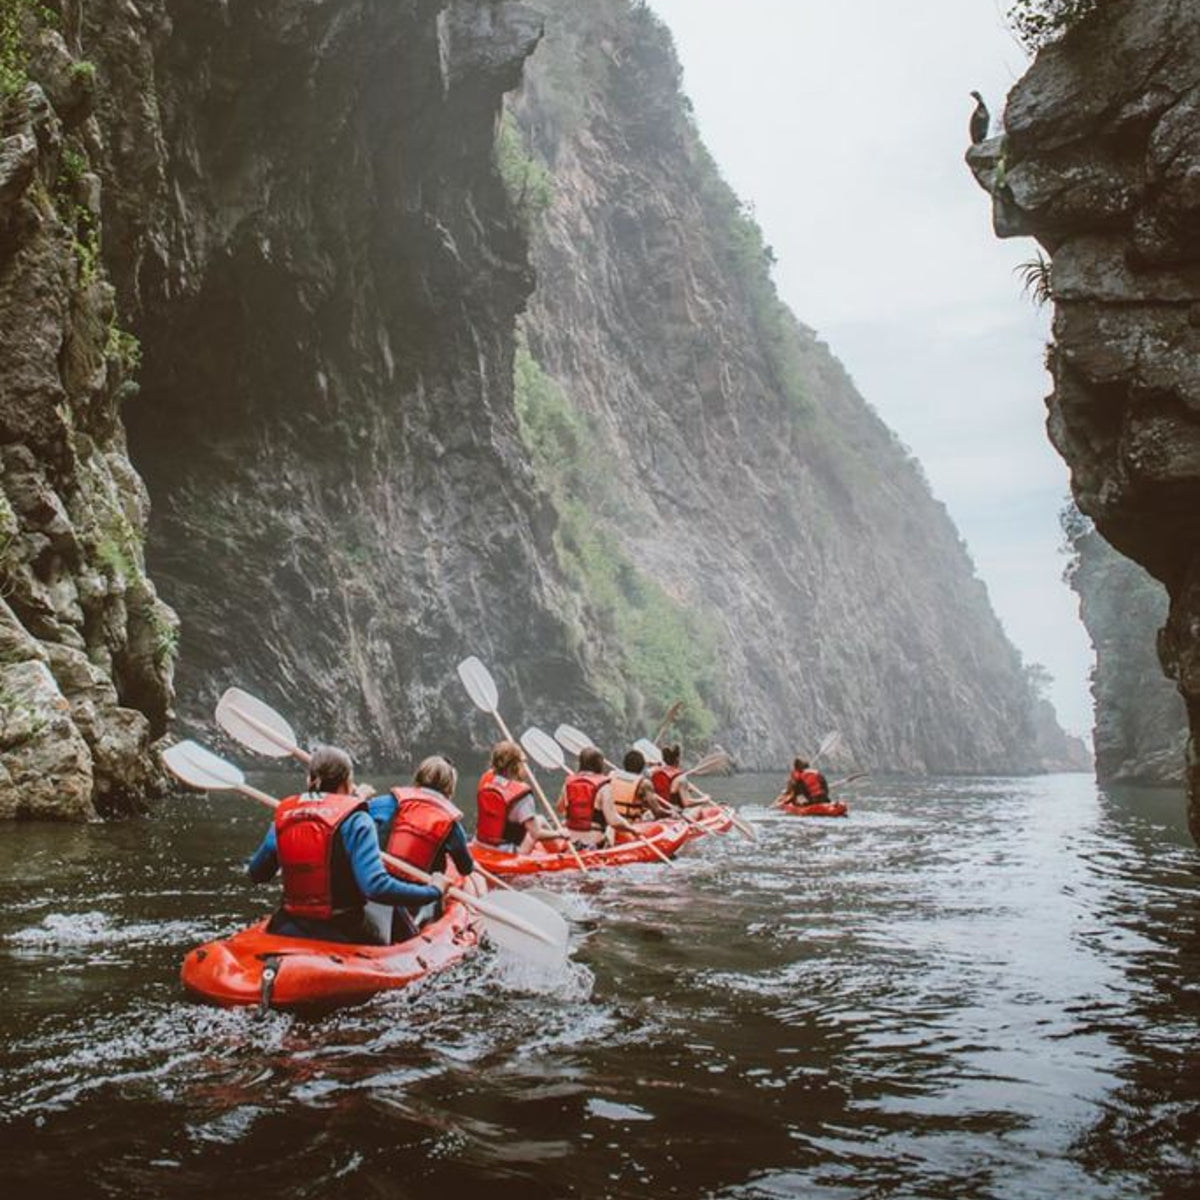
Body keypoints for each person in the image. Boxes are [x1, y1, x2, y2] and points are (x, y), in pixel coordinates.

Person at [247, 745, 449, 946]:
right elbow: (376, 888)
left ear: (309, 780)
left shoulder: (283, 817)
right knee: (388, 906)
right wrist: (433, 891)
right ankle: (414, 944)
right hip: (343, 929)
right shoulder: (358, 821)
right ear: (347, 782)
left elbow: (257, 874)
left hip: (288, 925)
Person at [370, 755, 486, 934]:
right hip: (417, 898)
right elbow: (464, 869)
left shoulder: (386, 802)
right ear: (450, 788)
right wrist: (472, 866)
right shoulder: (451, 823)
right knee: (473, 880)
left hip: (372, 885)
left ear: (419, 777)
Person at [474, 740, 559, 854]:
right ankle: (561, 853)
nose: (525, 767)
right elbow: (536, 834)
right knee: (541, 820)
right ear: (515, 766)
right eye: (523, 763)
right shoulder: (521, 794)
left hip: (480, 844)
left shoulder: (485, 781)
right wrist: (561, 833)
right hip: (507, 851)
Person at [556, 746, 614, 846]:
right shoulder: (604, 785)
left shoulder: (569, 783)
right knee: (612, 827)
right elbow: (613, 820)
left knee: (563, 821)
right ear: (600, 764)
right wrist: (631, 828)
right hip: (594, 841)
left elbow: (560, 808)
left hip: (571, 841)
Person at [610, 748, 674, 824]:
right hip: (631, 825)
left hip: (611, 822)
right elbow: (657, 812)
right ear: (642, 767)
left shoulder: (612, 775)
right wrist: (672, 813)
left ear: (624, 763)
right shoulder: (644, 784)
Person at [649, 743, 712, 811]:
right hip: (673, 813)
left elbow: (667, 789)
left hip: (658, 810)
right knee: (699, 809)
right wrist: (704, 799)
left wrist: (685, 789)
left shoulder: (654, 772)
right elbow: (687, 803)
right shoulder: (680, 778)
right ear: (677, 759)